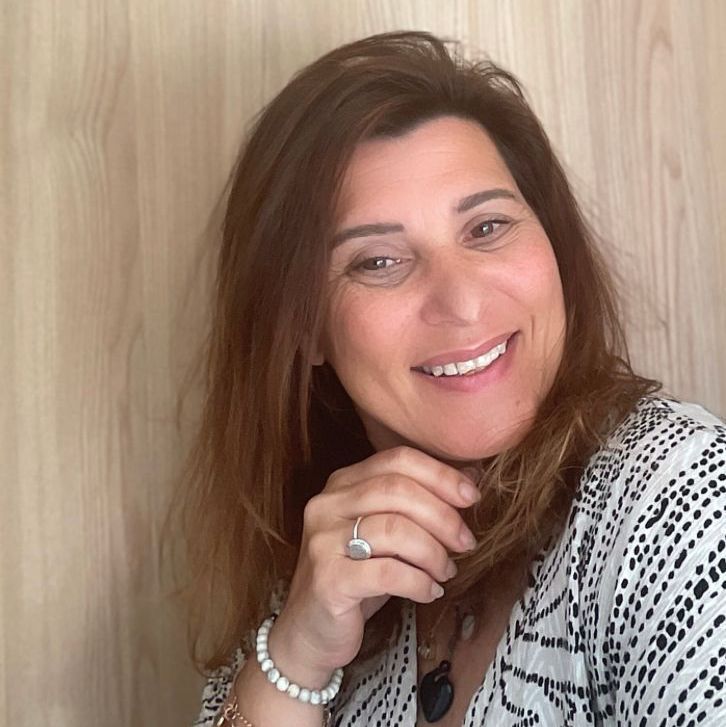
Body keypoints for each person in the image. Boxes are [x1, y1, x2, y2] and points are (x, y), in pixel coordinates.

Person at [174, 31, 726, 726]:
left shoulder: (681, 497)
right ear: (304, 327)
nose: (461, 301)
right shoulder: (323, 555)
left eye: (487, 227)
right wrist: (298, 655)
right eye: (379, 261)